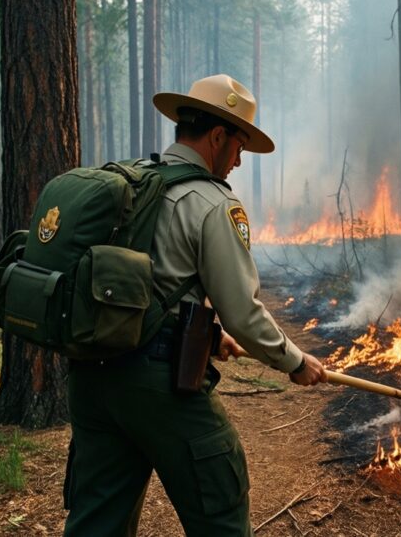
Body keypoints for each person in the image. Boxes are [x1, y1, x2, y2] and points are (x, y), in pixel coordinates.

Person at [64, 74, 327, 536]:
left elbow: (144, 282)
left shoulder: (133, 183)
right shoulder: (212, 203)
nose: (240, 161)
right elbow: (243, 313)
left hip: (93, 379)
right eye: (239, 147)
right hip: (158, 384)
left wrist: (207, 331)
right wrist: (293, 360)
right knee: (220, 504)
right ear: (218, 136)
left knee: (97, 523)